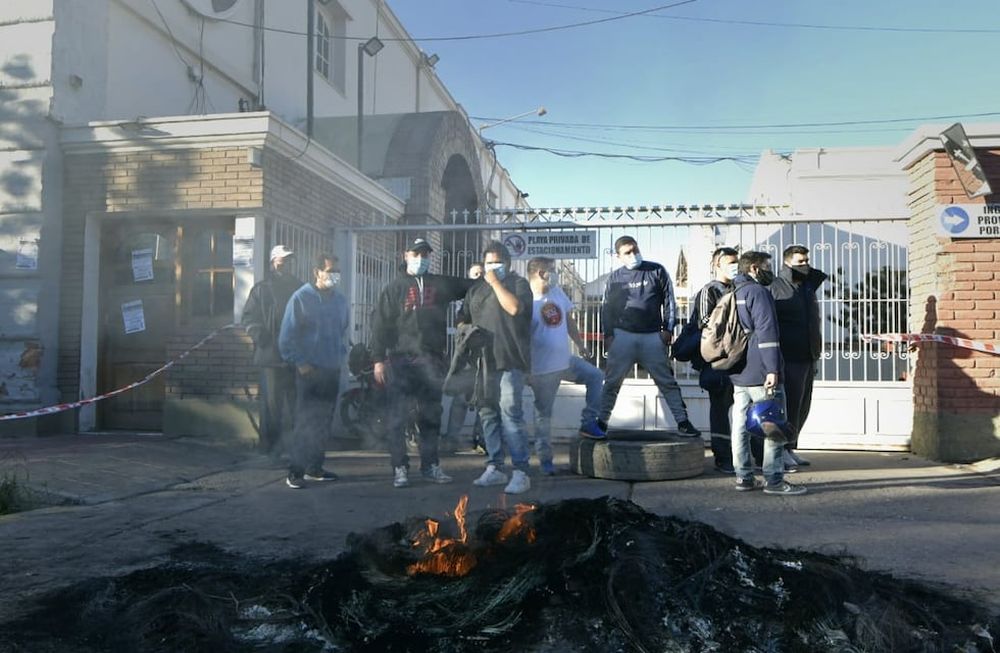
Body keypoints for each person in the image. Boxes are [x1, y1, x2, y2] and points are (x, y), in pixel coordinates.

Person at [370, 238, 475, 489]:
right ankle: (399, 468)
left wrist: (489, 277)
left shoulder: (439, 284)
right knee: (397, 416)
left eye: (425, 254)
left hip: (431, 362)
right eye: (416, 253)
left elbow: (471, 287)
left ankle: (430, 465)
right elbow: (380, 326)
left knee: (431, 415)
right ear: (405, 255)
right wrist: (377, 361)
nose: (421, 258)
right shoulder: (394, 288)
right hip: (400, 362)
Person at [597, 235, 701, 438]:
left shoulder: (656, 270)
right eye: (627, 252)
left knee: (667, 382)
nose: (633, 254)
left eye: (635, 249)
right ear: (619, 256)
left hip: (652, 337)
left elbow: (670, 300)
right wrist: (608, 335)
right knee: (611, 383)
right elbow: (606, 309)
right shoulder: (615, 278)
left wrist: (667, 329)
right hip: (623, 337)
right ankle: (601, 422)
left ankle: (682, 422)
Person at [729, 250, 806, 495]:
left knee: (740, 424)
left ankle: (743, 477)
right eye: (766, 266)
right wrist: (773, 369)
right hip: (761, 367)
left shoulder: (734, 291)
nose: (769, 271)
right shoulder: (758, 292)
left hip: (739, 368)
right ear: (753, 268)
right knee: (772, 422)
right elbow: (767, 334)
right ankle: (773, 480)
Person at [465, 240, 534, 494]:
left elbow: (514, 308)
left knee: (510, 414)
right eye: (488, 262)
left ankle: (521, 471)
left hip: (510, 360)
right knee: (487, 414)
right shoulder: (476, 290)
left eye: (497, 262)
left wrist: (495, 282)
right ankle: (494, 466)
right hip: (484, 361)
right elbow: (464, 318)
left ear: (507, 263)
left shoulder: (518, 285)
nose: (492, 266)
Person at [526, 257, 606, 474]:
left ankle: (588, 422)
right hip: (542, 370)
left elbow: (569, 320)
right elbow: (520, 338)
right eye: (553, 271)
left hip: (565, 361)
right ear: (541, 273)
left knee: (596, 376)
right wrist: (526, 371)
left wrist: (580, 344)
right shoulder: (526, 300)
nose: (556, 274)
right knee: (544, 416)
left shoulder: (556, 292)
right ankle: (545, 462)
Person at [278, 254, 349, 489]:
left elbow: (342, 331)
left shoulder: (339, 300)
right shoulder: (301, 298)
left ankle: (314, 468)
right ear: (317, 272)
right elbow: (286, 338)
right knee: (306, 421)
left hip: (331, 369)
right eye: (330, 270)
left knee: (324, 421)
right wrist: (300, 362)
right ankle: (295, 471)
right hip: (309, 371)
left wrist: (340, 357)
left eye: (337, 270)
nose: (334, 275)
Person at [769, 244, 829, 470]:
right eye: (800, 262)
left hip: (807, 355)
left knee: (802, 405)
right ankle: (780, 450)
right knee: (789, 405)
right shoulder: (776, 287)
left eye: (806, 260)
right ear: (787, 263)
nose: (805, 265)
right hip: (788, 356)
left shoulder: (806, 286)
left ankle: (790, 447)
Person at [241, 245, 302, 456]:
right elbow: (249, 317)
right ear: (273, 262)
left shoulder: (299, 287)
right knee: (271, 406)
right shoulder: (261, 289)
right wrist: (262, 337)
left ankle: (296, 446)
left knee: (297, 404)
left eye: (289, 260)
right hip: (271, 358)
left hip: (296, 357)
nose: (285, 264)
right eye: (282, 260)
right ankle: (270, 448)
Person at [691, 246, 740, 473]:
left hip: (741, 360)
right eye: (730, 262)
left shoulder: (740, 288)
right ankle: (723, 456)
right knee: (720, 408)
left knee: (742, 408)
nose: (734, 266)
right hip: (718, 361)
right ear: (716, 265)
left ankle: (744, 454)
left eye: (736, 261)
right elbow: (706, 324)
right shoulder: (709, 291)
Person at [444, 262, 485, 454]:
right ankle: (452, 439)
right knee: (460, 399)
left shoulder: (492, 296)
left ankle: (482, 440)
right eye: (475, 274)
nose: (478, 277)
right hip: (467, 357)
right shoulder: (466, 298)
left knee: (484, 400)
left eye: (482, 273)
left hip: (486, 356)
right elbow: (459, 321)